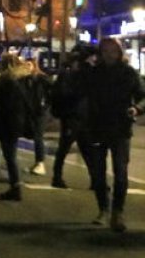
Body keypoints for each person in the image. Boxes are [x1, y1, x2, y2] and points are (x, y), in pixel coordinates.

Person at [79, 38, 145, 231]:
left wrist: (136, 109)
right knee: (98, 174)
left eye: (113, 50)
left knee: (121, 172)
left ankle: (118, 211)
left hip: (120, 127)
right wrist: (85, 61)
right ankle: (103, 208)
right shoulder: (93, 72)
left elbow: (142, 95)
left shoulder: (128, 73)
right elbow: (77, 86)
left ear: (119, 52)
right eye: (105, 50)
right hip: (97, 126)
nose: (109, 54)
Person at [0, 53, 35, 201]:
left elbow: (5, 106)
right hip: (15, 122)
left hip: (8, 123)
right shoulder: (20, 79)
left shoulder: (8, 81)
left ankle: (15, 187)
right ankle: (15, 186)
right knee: (10, 156)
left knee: (10, 156)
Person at [49, 47, 92, 189]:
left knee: (84, 149)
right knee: (66, 148)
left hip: (78, 116)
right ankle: (57, 177)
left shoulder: (72, 73)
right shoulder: (69, 75)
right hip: (72, 116)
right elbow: (67, 93)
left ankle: (95, 180)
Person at [23, 59, 52, 176]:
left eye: (29, 64)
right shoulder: (26, 79)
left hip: (40, 112)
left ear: (35, 66)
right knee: (35, 135)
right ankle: (37, 162)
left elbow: (51, 91)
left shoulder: (41, 78)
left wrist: (45, 105)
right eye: (25, 65)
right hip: (32, 111)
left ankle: (40, 163)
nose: (27, 67)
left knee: (38, 136)